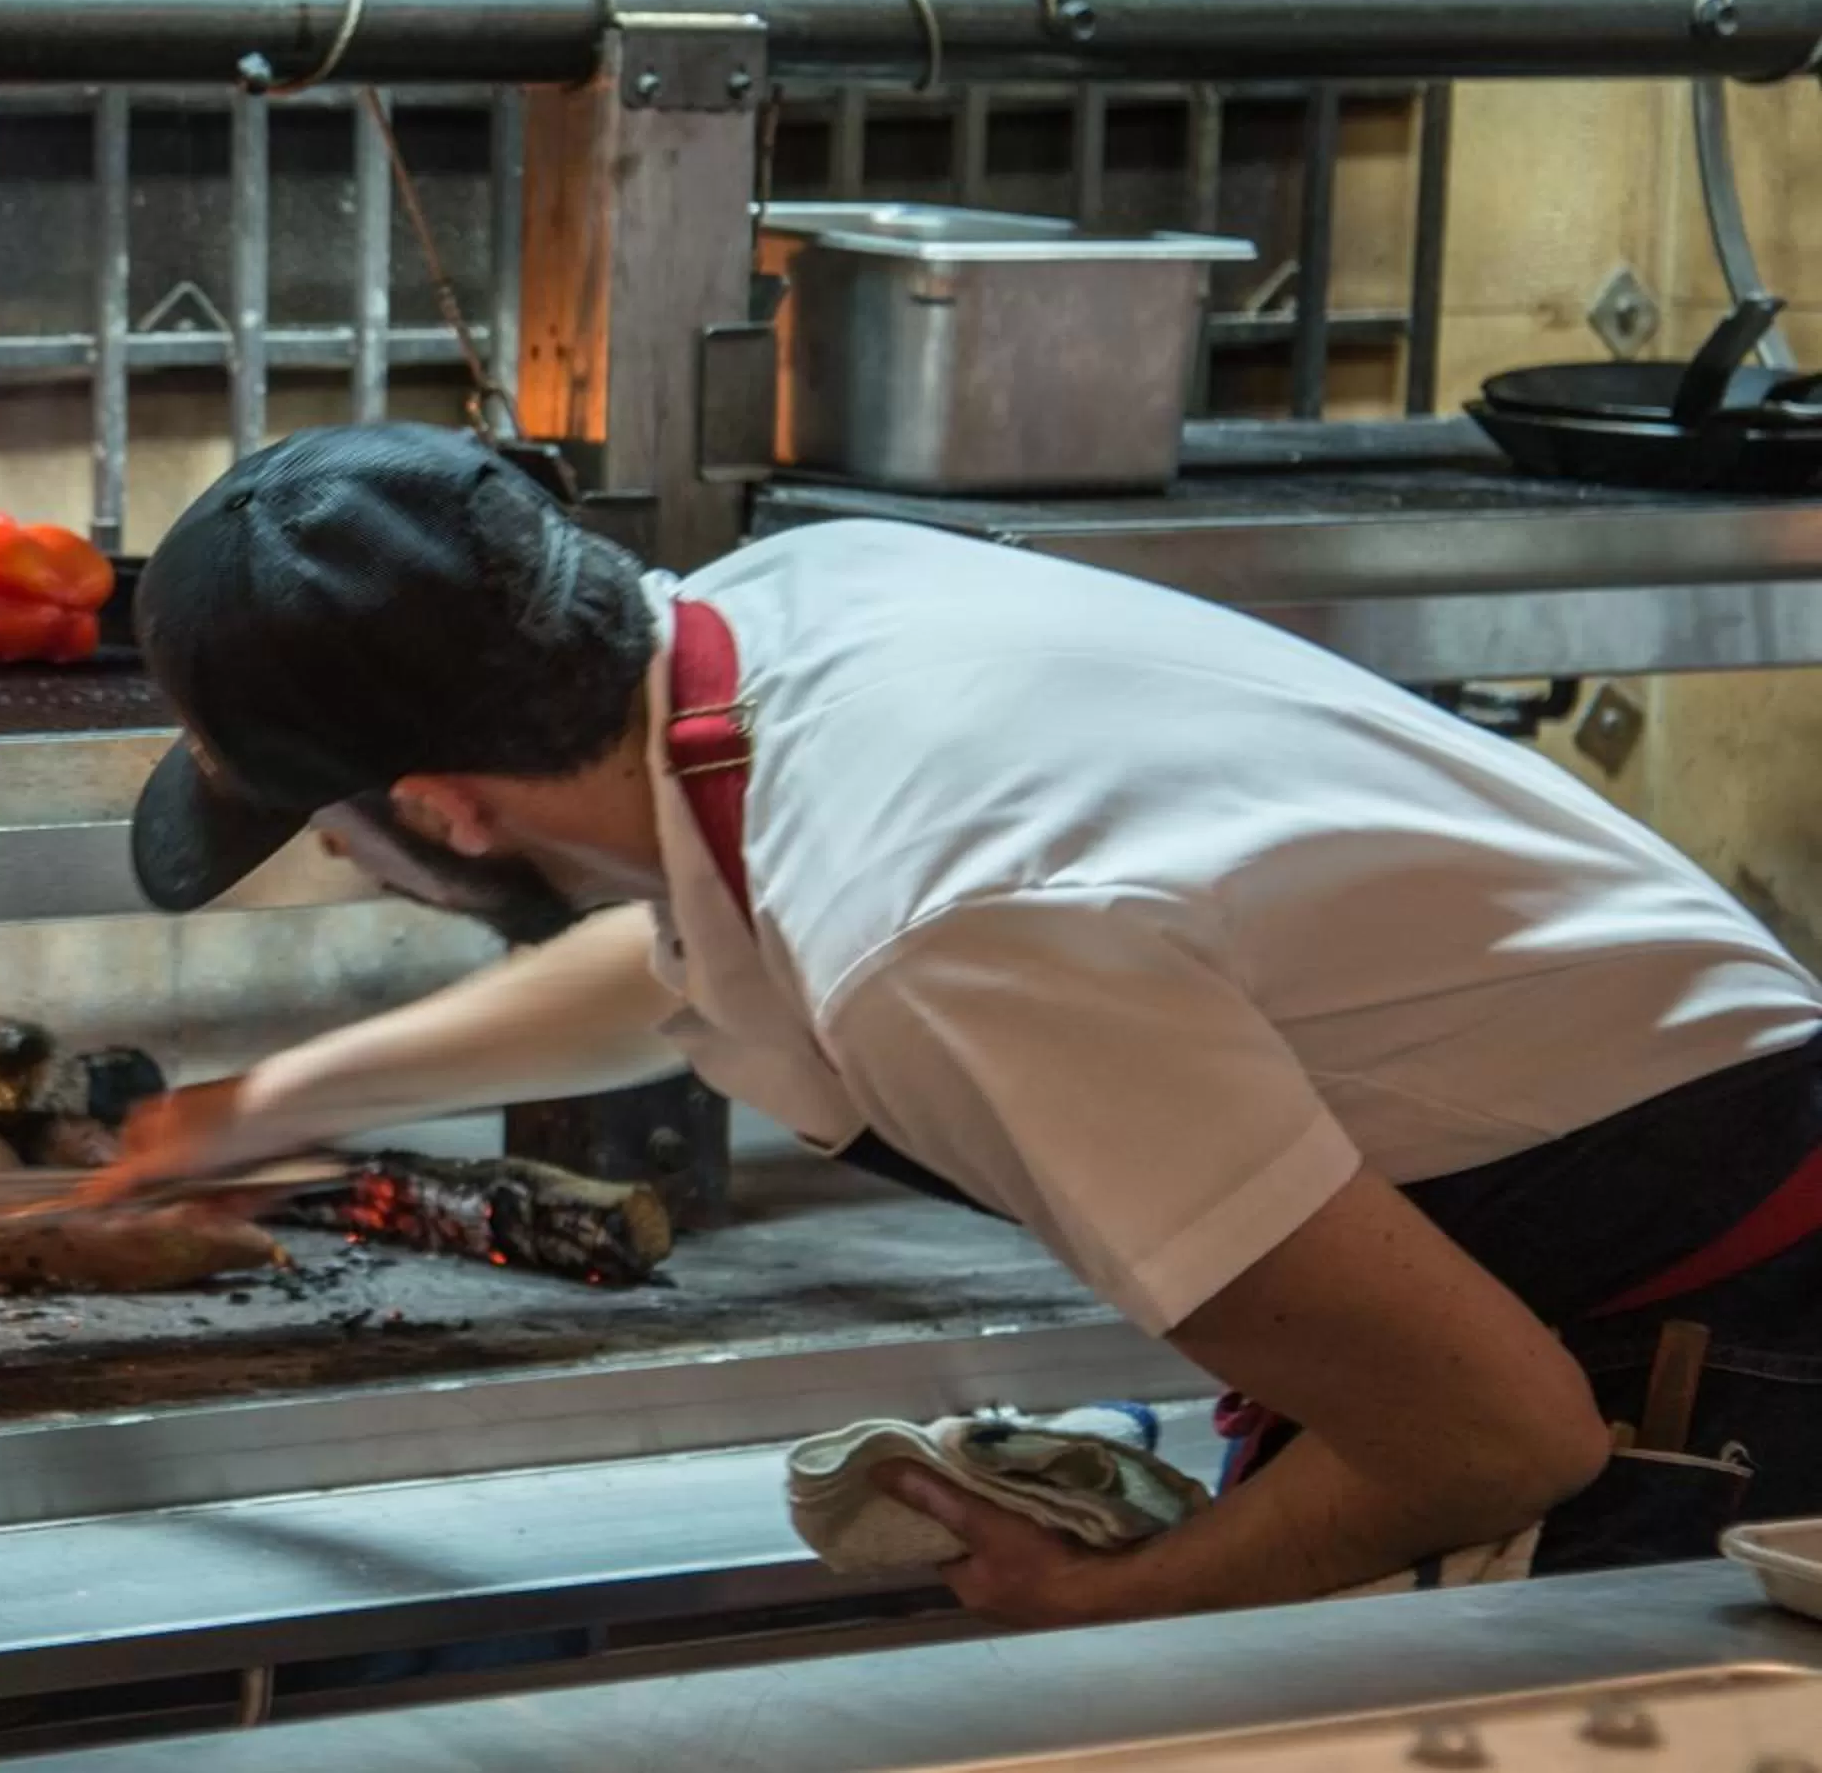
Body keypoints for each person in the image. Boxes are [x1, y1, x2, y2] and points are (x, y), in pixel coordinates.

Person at [114, 421, 1822, 1624]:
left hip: (1724, 1361)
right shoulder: (790, 611)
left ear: (451, 808)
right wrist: (266, 1100)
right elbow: (708, 947)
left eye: (323, 826)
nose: (339, 861)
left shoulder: (937, 928)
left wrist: (1112, 1598)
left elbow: (1493, 1433)